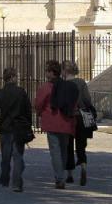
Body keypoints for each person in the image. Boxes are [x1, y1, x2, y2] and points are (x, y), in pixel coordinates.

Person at [33, 60, 79, 189]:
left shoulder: (46, 87)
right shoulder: (68, 86)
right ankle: (61, 174)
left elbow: (38, 103)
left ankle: (59, 178)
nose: (45, 73)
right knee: (63, 150)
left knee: (55, 151)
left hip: (52, 121)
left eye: (47, 70)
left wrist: (39, 112)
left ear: (51, 73)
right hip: (66, 122)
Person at [0, 67, 33, 192]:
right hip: (18, 128)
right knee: (18, 156)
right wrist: (29, 125)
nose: (17, 78)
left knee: (5, 156)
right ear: (12, 77)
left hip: (5, 128)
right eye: (16, 76)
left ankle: (4, 177)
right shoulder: (21, 92)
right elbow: (28, 110)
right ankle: (17, 183)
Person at [63, 60, 95, 186]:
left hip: (69, 117)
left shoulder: (64, 84)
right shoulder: (81, 82)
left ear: (65, 71)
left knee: (68, 146)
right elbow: (87, 100)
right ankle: (83, 166)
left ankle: (69, 175)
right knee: (81, 146)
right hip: (82, 117)